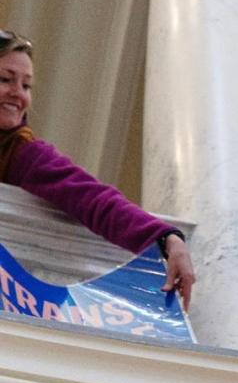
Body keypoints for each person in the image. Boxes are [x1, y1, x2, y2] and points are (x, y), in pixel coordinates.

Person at [0, 29, 195, 309]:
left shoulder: (21, 154)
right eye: (5, 79)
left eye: (27, 85)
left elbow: (93, 199)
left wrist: (165, 238)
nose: (18, 94)